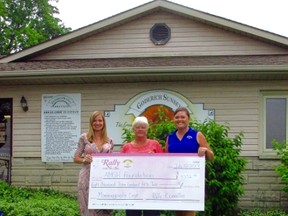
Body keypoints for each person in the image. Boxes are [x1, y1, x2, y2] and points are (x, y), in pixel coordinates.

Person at [165, 107, 214, 216]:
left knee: (189, 211)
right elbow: (166, 159)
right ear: (173, 119)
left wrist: (205, 151)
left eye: (183, 117)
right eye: (177, 117)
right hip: (175, 180)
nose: (180, 120)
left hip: (192, 181)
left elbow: (211, 156)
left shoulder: (197, 135)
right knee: (178, 211)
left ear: (188, 119)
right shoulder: (170, 137)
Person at [121, 116, 163, 216]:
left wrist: (155, 159)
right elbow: (121, 167)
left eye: (143, 127)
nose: (140, 129)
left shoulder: (155, 144)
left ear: (147, 129)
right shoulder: (126, 147)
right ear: (133, 129)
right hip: (132, 190)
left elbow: (163, 164)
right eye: (137, 127)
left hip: (152, 189)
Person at [74, 111, 114, 216]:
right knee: (88, 207)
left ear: (103, 122)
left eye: (100, 120)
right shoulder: (84, 137)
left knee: (103, 207)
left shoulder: (109, 141)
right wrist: (84, 160)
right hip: (86, 177)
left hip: (104, 178)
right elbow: (75, 158)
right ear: (91, 123)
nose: (97, 123)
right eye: (95, 121)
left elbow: (112, 160)